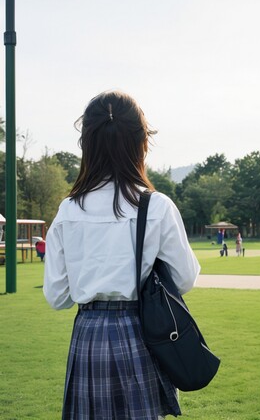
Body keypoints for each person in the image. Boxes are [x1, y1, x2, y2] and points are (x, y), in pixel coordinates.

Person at [43, 90, 201, 420]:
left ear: (87, 143)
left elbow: (58, 297)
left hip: (88, 333)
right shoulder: (156, 206)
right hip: (139, 333)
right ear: (140, 142)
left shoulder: (69, 210)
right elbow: (185, 279)